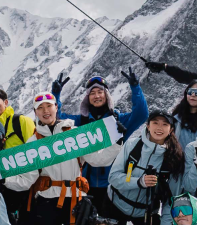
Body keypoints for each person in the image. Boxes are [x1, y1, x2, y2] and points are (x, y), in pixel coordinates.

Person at [2, 93, 91, 225]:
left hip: (75, 199)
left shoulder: (74, 134)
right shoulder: (33, 142)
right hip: (47, 202)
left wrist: (115, 139)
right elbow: (27, 180)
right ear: (35, 112)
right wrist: (3, 178)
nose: (45, 111)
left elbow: (97, 158)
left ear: (56, 107)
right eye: (40, 108)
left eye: (49, 106)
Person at [54, 70, 150, 217]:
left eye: (100, 92)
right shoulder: (80, 122)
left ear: (107, 96)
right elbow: (56, 119)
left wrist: (135, 87)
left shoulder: (118, 120)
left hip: (114, 186)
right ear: (87, 98)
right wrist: (55, 95)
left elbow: (141, 114)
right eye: (92, 93)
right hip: (85, 186)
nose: (97, 96)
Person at [107, 110, 187, 225]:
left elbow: (170, 199)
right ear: (148, 126)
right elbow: (113, 177)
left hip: (147, 212)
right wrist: (139, 182)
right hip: (115, 204)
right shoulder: (132, 145)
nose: (159, 128)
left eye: (165, 124)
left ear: (171, 130)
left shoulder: (174, 158)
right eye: (155, 123)